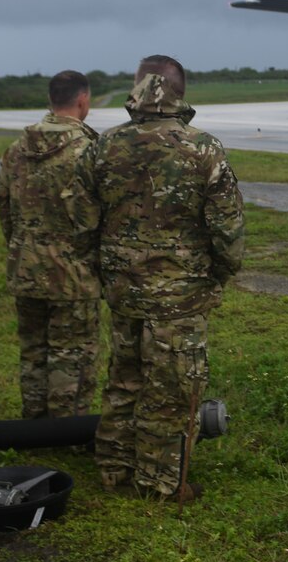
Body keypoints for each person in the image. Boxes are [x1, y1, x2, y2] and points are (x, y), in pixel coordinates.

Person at [90, 55, 243, 501]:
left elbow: (84, 218)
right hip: (180, 295)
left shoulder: (104, 145)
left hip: (123, 289)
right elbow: (227, 229)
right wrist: (218, 275)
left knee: (124, 379)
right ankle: (159, 484)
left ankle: (114, 470)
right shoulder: (202, 148)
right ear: (181, 90)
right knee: (173, 389)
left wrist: (106, 269)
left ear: (138, 88)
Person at [0, 70, 103, 419]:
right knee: (72, 354)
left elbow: (5, 211)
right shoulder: (91, 151)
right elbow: (99, 217)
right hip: (74, 274)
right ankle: (64, 430)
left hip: (26, 266)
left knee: (33, 351)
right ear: (83, 100)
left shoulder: (16, 150)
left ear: (50, 100)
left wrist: (22, 248)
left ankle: (34, 422)